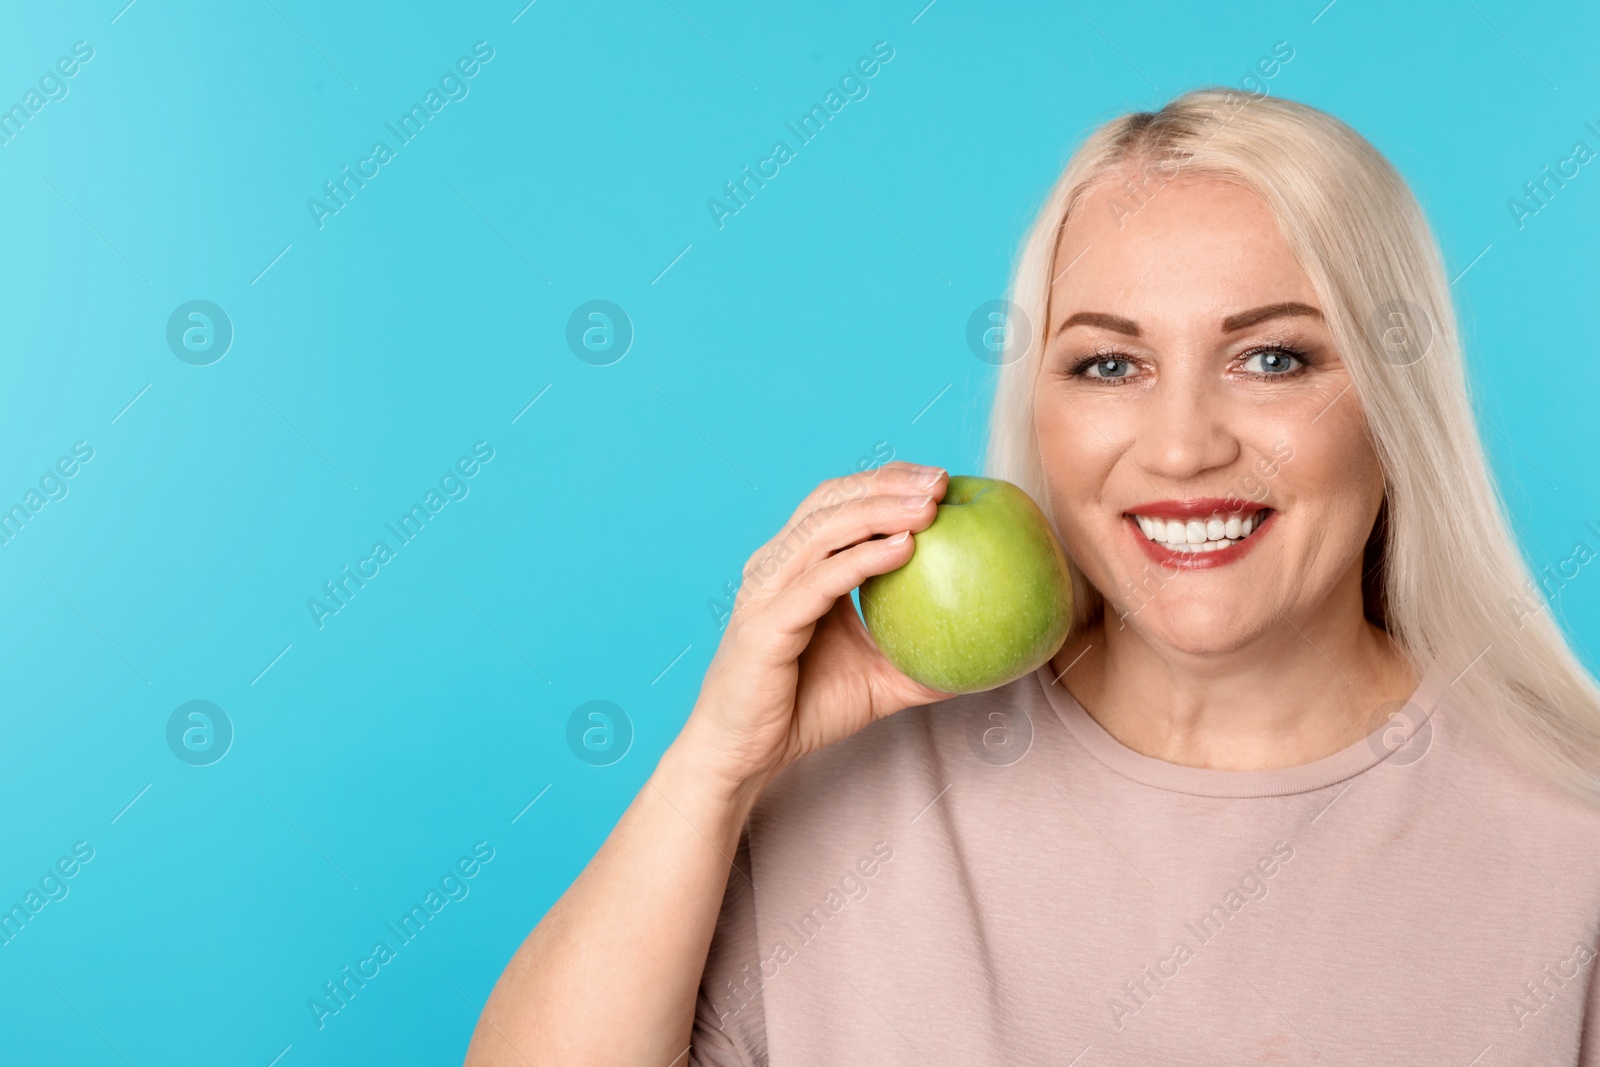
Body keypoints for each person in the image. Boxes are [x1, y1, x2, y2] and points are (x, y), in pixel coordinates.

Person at [463, 87, 1600, 1066]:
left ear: (1394, 407)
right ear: (1038, 410)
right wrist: (714, 767)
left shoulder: (1569, 837)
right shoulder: (843, 794)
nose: (1178, 444)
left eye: (1272, 357)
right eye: (1109, 362)